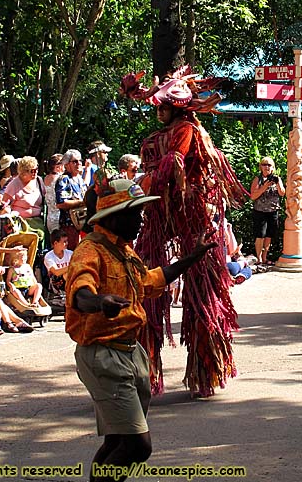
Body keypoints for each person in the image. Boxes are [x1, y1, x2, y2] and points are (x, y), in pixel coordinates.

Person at [65, 178, 216, 482]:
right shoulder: (89, 251)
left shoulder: (125, 252)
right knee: (137, 445)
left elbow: (150, 281)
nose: (141, 220)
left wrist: (192, 257)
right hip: (103, 355)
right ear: (113, 217)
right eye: (134, 213)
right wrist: (98, 302)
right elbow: (80, 292)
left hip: (131, 353)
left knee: (117, 441)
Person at [121, 66, 246, 397]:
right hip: (159, 214)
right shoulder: (157, 138)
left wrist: (144, 183)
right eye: (157, 106)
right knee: (146, 287)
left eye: (162, 106)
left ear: (175, 107)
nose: (158, 111)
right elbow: (155, 170)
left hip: (192, 217)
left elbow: (172, 165)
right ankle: (144, 373)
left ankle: (205, 373)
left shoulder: (187, 131)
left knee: (203, 292)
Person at [0, 156, 47, 247]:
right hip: (21, 223)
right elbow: (4, 205)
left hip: (38, 221)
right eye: (32, 171)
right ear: (23, 172)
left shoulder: (39, 180)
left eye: (36, 169)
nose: (35, 173)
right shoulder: (14, 184)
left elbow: (45, 197)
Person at [249, 157, 285, 265]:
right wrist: (264, 187)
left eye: (269, 165)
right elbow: (253, 196)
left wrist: (277, 183)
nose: (267, 167)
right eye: (264, 164)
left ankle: (265, 258)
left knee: (269, 235)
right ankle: (259, 258)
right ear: (261, 167)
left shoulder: (276, 179)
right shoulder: (257, 179)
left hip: (273, 211)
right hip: (260, 211)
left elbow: (282, 193)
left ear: (273, 168)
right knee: (260, 235)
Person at [55, 150, 87, 250]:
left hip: (83, 223)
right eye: (75, 162)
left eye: (80, 161)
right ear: (67, 165)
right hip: (70, 226)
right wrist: (81, 202)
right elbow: (61, 203)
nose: (78, 164)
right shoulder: (64, 179)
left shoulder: (79, 179)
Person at [43, 154, 65, 234]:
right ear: (58, 166)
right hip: (59, 216)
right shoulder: (60, 179)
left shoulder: (45, 178)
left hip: (50, 216)